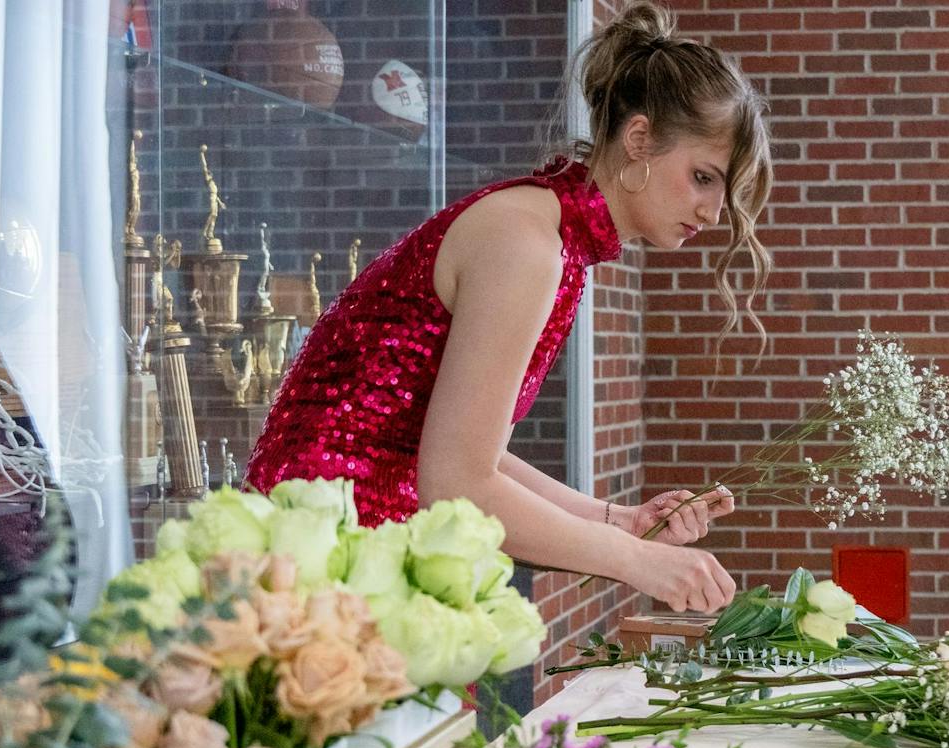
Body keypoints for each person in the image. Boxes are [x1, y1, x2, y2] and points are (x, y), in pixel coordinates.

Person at [246, 2, 773, 614]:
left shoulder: (551, 235)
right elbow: (458, 484)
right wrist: (636, 561)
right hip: (324, 552)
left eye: (725, 190)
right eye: (703, 177)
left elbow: (474, 454)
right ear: (639, 140)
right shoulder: (527, 241)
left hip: (352, 538)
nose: (714, 212)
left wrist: (620, 522)